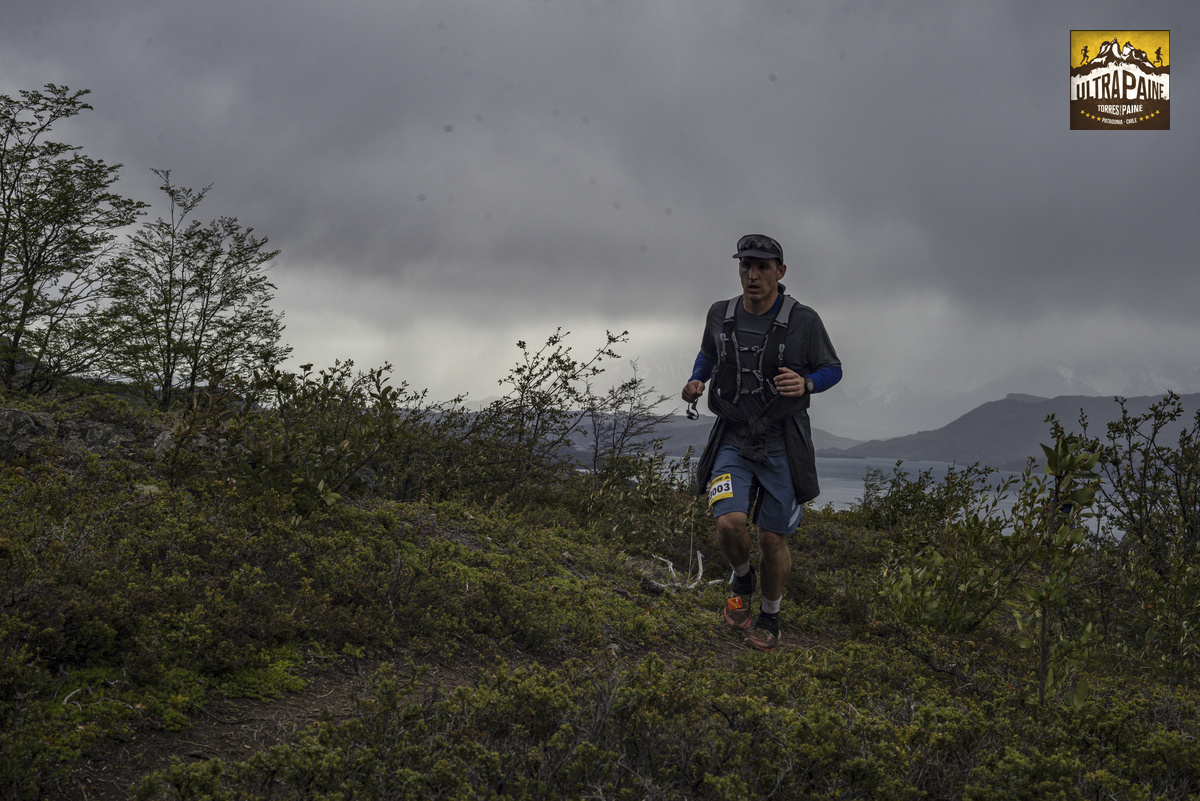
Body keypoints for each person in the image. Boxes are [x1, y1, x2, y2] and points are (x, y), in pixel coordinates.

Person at [682, 234, 842, 650]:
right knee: (728, 522)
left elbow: (833, 368)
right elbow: (708, 354)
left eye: (763, 267)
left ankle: (770, 616)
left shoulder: (805, 320)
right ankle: (741, 578)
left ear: (780, 271)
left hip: (782, 441)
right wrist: (697, 379)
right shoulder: (720, 314)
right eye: (746, 265)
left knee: (772, 539)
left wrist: (807, 382)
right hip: (733, 437)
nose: (752, 274)